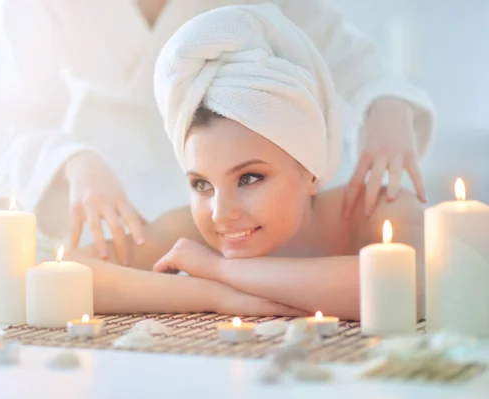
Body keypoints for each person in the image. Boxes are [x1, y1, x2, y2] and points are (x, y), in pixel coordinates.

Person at [0, 0, 433, 268]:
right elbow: (0, 123)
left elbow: (347, 58)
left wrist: (388, 108)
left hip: (246, 188)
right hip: (107, 207)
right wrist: (75, 162)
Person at [65, 4, 426, 321]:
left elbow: (403, 289)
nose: (221, 213)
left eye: (250, 178)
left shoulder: (376, 210)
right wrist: (212, 295)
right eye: (201, 184)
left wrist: (218, 269)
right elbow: (68, 274)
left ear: (311, 168)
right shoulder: (192, 230)